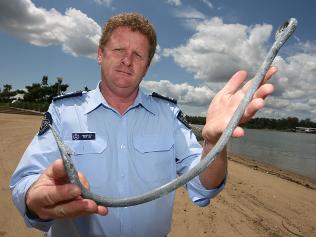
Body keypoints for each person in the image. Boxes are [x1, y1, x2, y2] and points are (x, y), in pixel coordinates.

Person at [10, 12, 277, 237]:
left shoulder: (168, 114)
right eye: (118, 50)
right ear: (100, 54)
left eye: (138, 55)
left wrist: (215, 142)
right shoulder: (63, 111)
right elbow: (25, 183)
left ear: (147, 67)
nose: (127, 60)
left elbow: (203, 186)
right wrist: (35, 198)